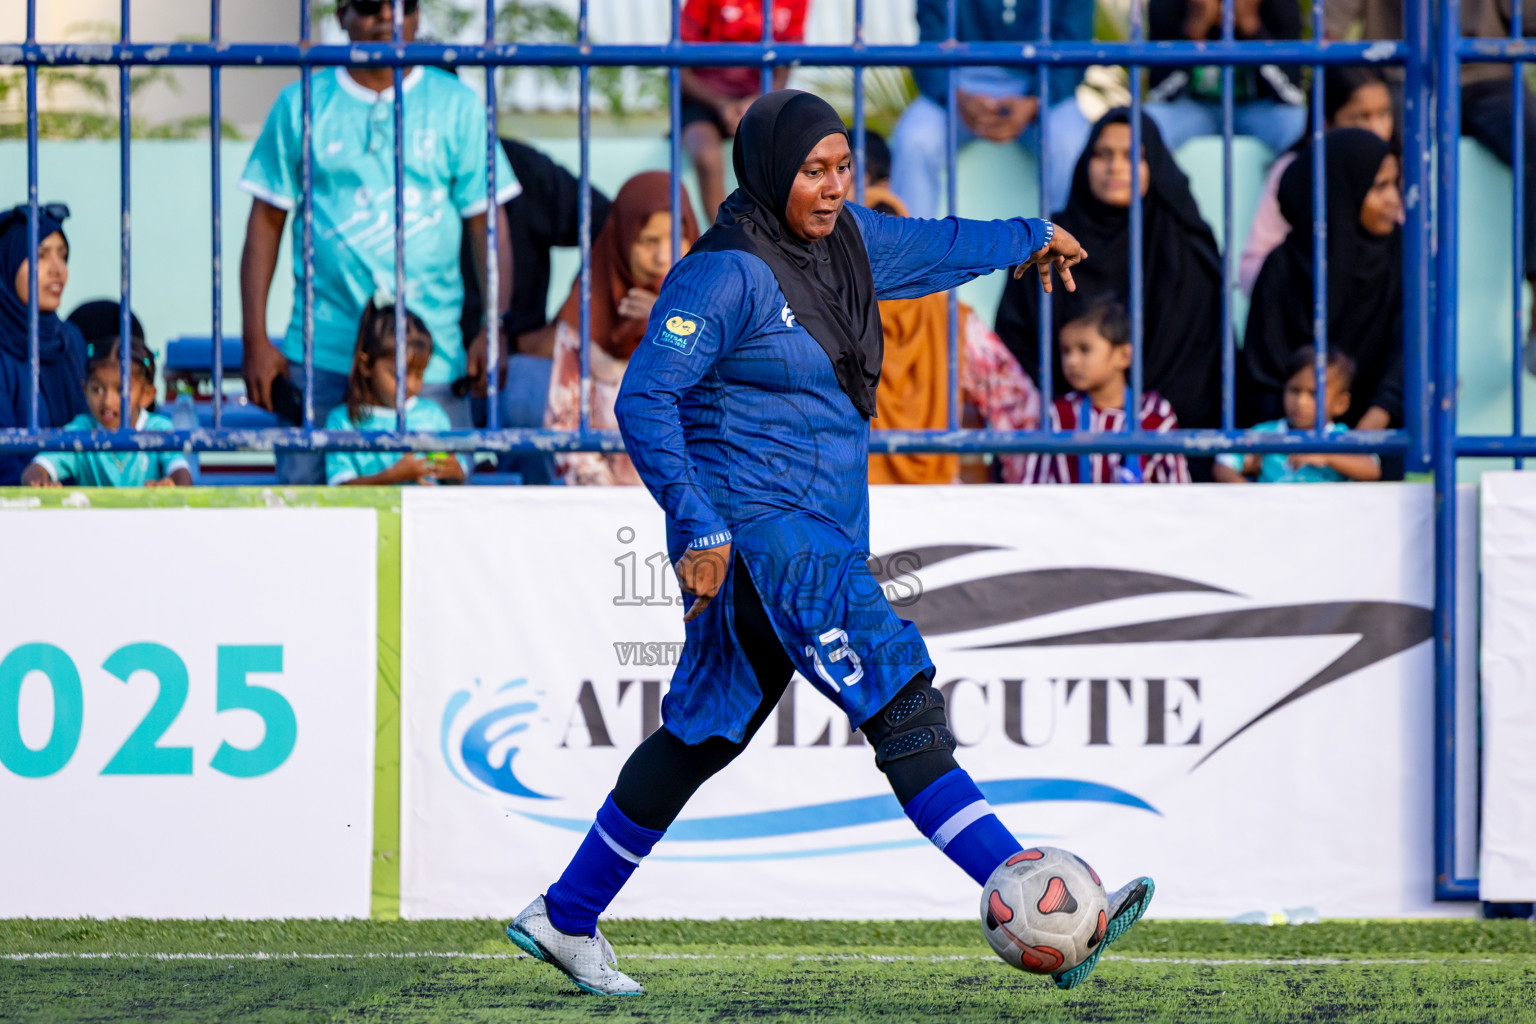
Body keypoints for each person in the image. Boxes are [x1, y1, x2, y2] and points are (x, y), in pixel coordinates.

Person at [503, 89, 1153, 997]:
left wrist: (1031, 234)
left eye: (844, 168)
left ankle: (565, 914)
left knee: (701, 735)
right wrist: (695, 520)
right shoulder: (722, 273)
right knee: (898, 694)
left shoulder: (845, 243)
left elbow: (934, 244)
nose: (834, 186)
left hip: (805, 542)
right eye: (814, 171)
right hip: (773, 543)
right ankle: (1034, 896)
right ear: (770, 173)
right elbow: (643, 397)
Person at [238, 0, 516, 484]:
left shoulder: (457, 105)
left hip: (430, 365)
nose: (389, 15)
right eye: (370, 4)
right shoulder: (300, 103)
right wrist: (254, 338)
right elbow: (265, 223)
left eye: (403, 4)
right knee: (312, 521)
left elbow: (487, 226)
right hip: (322, 359)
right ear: (342, 14)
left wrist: (494, 326)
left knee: (445, 528)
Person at [994, 110, 1224, 434]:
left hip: (1163, 440)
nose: (1115, 166)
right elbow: (1017, 345)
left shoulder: (1182, 245)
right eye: (1103, 154)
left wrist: (1140, 423)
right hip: (1059, 435)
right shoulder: (1050, 240)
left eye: (1132, 156)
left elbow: (1198, 360)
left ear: (1154, 167)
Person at [1329, 1, 1536, 357]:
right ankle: (1390, 305)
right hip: (1400, 73)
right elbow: (1328, 27)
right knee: (1378, 155)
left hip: (1486, 76)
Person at [458, 138, 614, 484]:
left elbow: (610, 223)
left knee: (534, 402)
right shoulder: (381, 159)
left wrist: (569, 320)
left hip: (516, 357)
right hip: (417, 358)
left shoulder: (517, 163)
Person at [862, 184, 1040, 485]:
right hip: (933, 496)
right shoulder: (951, 319)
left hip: (854, 493)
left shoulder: (830, 311)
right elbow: (1019, 410)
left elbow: (1017, 404)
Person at [544, 172, 701, 486]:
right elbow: (563, 427)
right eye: (648, 241)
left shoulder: (713, 307)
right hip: (607, 507)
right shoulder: (586, 313)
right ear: (622, 239)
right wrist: (614, 506)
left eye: (675, 239)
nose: (662, 257)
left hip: (696, 504)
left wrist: (662, 323)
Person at [1241, 129, 1404, 432]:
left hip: (1381, 440)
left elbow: (1411, 351)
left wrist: (1370, 428)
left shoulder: (1404, 255)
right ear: (1342, 191)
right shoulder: (1285, 266)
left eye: (1395, 184)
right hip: (1290, 448)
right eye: (1379, 187)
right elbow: (1262, 378)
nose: (1394, 200)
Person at [890, 0, 1094, 219]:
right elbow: (930, 43)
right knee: (914, 140)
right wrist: (956, 96)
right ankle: (910, 249)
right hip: (959, 80)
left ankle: (1067, 247)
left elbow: (1074, 45)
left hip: (1041, 81)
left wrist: (1035, 101)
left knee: (1070, 143)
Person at [1238, 67, 1396, 297]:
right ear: (1326, 122)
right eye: (1361, 117)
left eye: (1384, 114)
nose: (1378, 130)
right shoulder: (1295, 174)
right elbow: (1252, 267)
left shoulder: (1402, 169)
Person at [1022, 296, 1190, 485]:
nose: (1072, 361)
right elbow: (1033, 489)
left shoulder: (1154, 415)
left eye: (1084, 349)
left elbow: (1177, 491)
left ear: (1123, 355)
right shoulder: (1058, 415)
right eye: (1066, 350)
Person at [679, 0, 809, 222]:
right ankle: (725, 236)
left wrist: (757, 102)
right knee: (707, 156)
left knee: (792, 152)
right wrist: (721, 104)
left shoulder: (796, 3)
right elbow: (678, 70)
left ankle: (776, 239)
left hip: (760, 98)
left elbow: (785, 64)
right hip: (705, 100)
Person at [323, 297, 467, 487]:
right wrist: (394, 476)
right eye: (398, 374)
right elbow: (340, 490)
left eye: (419, 374)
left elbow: (456, 480)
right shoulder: (342, 422)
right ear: (366, 365)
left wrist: (455, 472)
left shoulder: (433, 416)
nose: (411, 385)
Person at [22, 335, 192, 488]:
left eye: (122, 390)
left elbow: (181, 473)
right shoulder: (82, 429)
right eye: (97, 389)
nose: (107, 402)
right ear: (84, 390)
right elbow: (38, 468)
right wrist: (40, 482)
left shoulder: (158, 429)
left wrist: (170, 486)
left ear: (146, 395)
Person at [1144, 0, 1308, 156]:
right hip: (1193, 108)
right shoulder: (1169, 4)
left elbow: (1291, 95)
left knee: (1293, 123)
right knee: (1152, 122)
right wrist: (1195, 31)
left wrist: (1251, 28)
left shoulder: (1279, 5)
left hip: (1256, 109)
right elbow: (1158, 95)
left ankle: (1282, 183)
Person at [0, 203, 88, 486]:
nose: (57, 270)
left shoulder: (69, 339)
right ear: (8, 263)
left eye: (63, 256)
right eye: (40, 256)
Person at [1215, 347, 1382, 483]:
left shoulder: (1342, 437)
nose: (1300, 402)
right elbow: (1223, 464)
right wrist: (1248, 494)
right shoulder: (1266, 433)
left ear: (1341, 404)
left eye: (1313, 394)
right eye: (1294, 390)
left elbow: (1372, 470)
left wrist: (1328, 456)